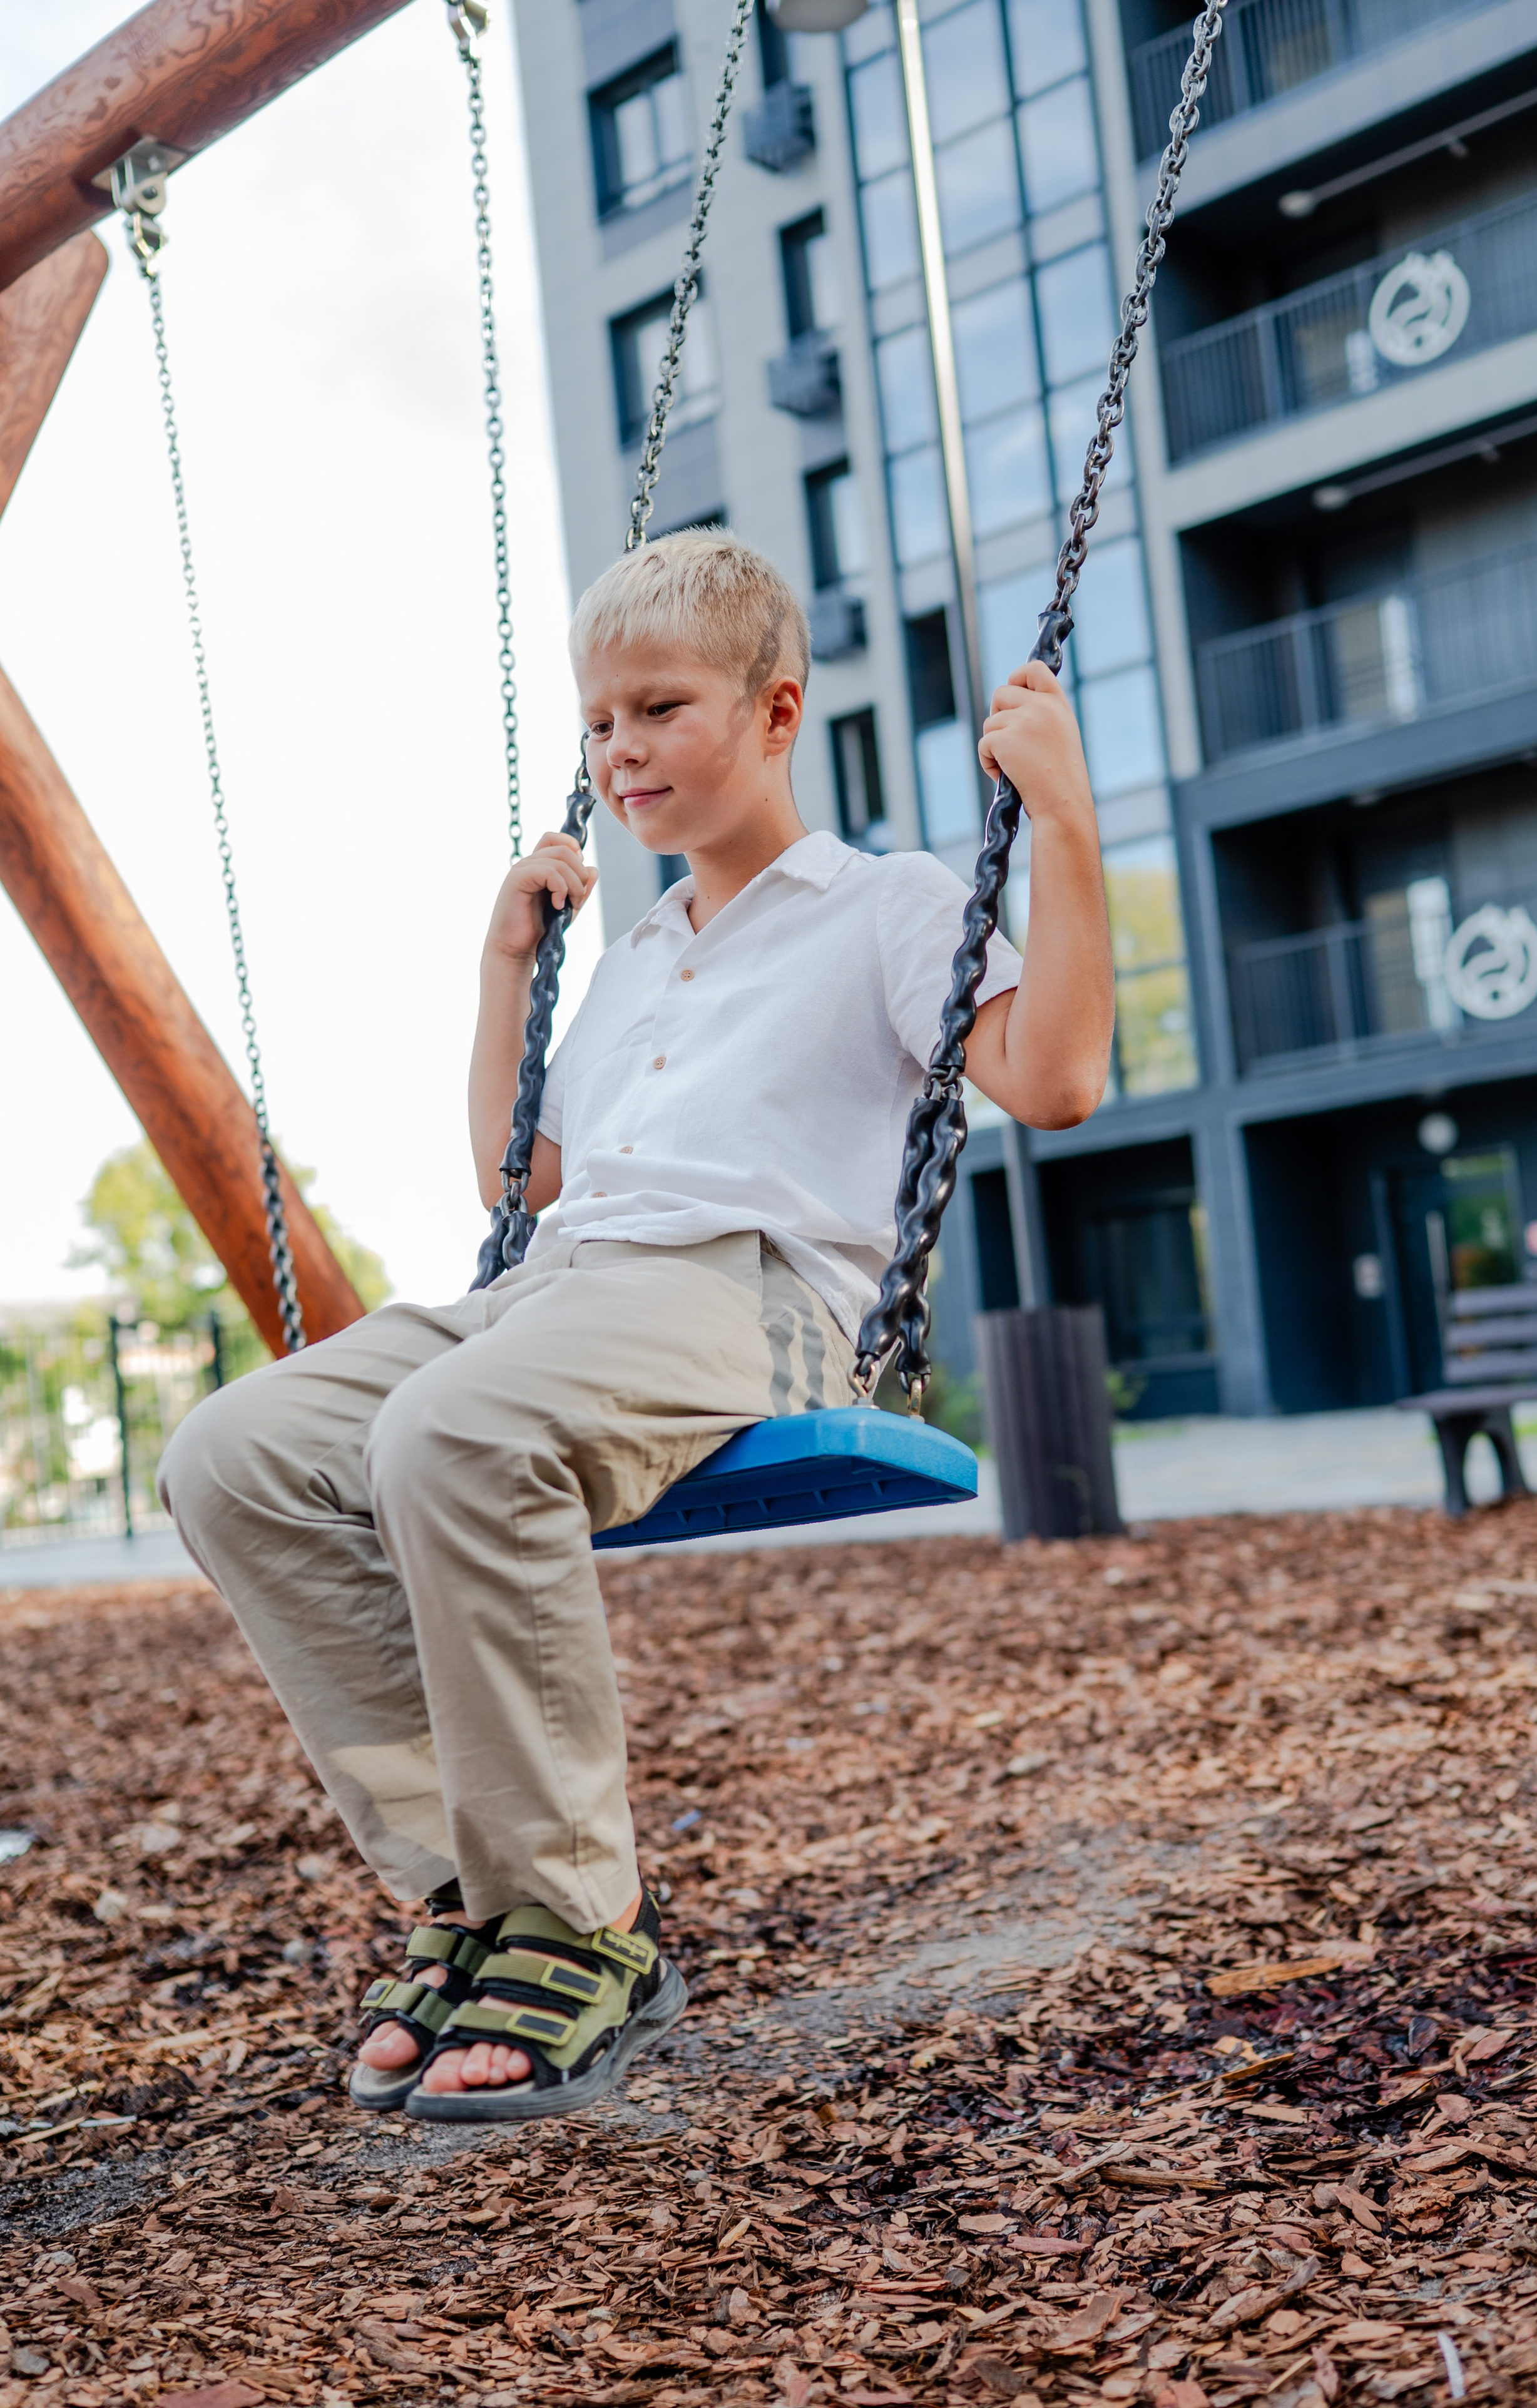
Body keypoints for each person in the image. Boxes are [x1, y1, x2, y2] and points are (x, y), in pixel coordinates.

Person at [160, 529, 1115, 2124]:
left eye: (661, 709)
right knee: (232, 1452)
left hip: (750, 1295)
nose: (621, 752)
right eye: (602, 724)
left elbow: (1058, 1079)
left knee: (448, 1432)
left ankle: (581, 1919)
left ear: (773, 712)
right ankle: (475, 1890)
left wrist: (1066, 819)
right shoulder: (630, 964)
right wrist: (502, 968)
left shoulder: (886, 905)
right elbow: (515, 1173)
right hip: (557, 1289)